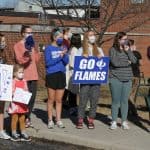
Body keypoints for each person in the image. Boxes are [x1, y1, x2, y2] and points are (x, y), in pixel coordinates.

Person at [76, 30, 104, 129]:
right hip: (85, 79)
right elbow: (76, 63)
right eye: (90, 35)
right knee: (83, 100)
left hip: (96, 80)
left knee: (94, 100)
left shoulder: (99, 49)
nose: (93, 37)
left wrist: (101, 58)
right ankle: (80, 119)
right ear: (86, 37)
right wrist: (82, 57)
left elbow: (103, 65)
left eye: (94, 35)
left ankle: (91, 120)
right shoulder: (81, 49)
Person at [14, 25, 41, 128]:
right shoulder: (18, 45)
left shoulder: (32, 45)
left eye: (31, 32)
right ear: (23, 34)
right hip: (23, 76)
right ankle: (20, 118)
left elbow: (36, 60)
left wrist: (39, 51)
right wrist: (27, 54)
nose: (30, 34)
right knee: (23, 99)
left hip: (33, 75)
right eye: (28, 33)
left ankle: (27, 117)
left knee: (32, 99)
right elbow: (20, 61)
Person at [109, 32, 137, 130]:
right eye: (124, 39)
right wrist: (127, 63)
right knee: (116, 101)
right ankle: (114, 121)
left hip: (127, 78)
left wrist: (128, 52)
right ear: (118, 40)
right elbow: (115, 63)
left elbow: (134, 61)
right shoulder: (112, 50)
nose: (126, 41)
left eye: (127, 39)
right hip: (115, 78)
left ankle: (124, 121)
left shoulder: (128, 49)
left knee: (125, 101)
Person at [44, 28, 69, 129]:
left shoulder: (62, 47)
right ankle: (50, 120)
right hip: (51, 75)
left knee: (59, 100)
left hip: (61, 75)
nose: (61, 39)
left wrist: (64, 54)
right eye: (59, 37)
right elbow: (48, 63)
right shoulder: (48, 48)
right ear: (54, 37)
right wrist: (60, 56)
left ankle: (58, 119)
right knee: (51, 99)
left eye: (62, 38)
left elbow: (66, 61)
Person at [8, 64, 31, 141]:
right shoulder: (13, 81)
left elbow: (26, 89)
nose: (22, 74)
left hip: (22, 104)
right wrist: (14, 93)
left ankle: (23, 132)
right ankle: (14, 132)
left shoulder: (24, 81)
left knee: (22, 118)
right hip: (15, 104)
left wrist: (26, 93)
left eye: (22, 72)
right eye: (20, 72)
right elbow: (11, 91)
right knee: (14, 118)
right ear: (15, 73)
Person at [0, 33, 11, 139]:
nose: (4, 43)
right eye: (2, 41)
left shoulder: (4, 54)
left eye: (4, 41)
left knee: (1, 108)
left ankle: (1, 130)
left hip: (2, 86)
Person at [68, 33, 82, 116]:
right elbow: (73, 63)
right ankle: (73, 108)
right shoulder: (74, 50)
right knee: (73, 91)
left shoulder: (74, 49)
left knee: (74, 91)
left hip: (75, 72)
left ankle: (74, 107)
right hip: (74, 72)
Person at [128, 39, 142, 115]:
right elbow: (140, 63)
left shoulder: (126, 53)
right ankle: (131, 110)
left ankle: (133, 111)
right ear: (133, 45)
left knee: (128, 94)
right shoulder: (137, 53)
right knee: (132, 94)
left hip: (128, 75)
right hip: (136, 75)